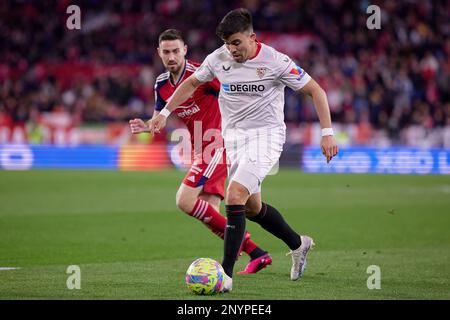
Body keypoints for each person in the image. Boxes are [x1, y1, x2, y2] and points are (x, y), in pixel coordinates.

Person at [149, 10, 338, 293]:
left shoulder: (275, 61)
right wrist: (164, 112)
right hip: (234, 140)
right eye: (227, 43)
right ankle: (299, 244)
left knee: (235, 194)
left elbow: (316, 91)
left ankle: (225, 275)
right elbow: (191, 83)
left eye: (237, 42)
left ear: (252, 37)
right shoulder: (218, 59)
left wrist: (327, 133)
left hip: (267, 137)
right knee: (251, 207)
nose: (232, 50)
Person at [129, 29, 272, 275]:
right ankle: (257, 253)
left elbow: (236, 89)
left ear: (185, 50)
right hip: (200, 150)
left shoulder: (202, 75)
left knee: (184, 200)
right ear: (159, 54)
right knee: (209, 212)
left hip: (218, 144)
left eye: (176, 50)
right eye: (166, 52)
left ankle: (245, 247)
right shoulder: (161, 84)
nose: (171, 56)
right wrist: (147, 125)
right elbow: (157, 120)